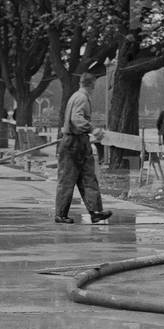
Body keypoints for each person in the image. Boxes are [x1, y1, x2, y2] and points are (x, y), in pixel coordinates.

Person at [55, 72, 113, 224]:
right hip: (75, 142)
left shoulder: (75, 96)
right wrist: (92, 129)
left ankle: (95, 212)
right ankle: (61, 214)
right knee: (69, 179)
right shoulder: (82, 98)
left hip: (76, 141)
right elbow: (77, 118)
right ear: (92, 84)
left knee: (88, 178)